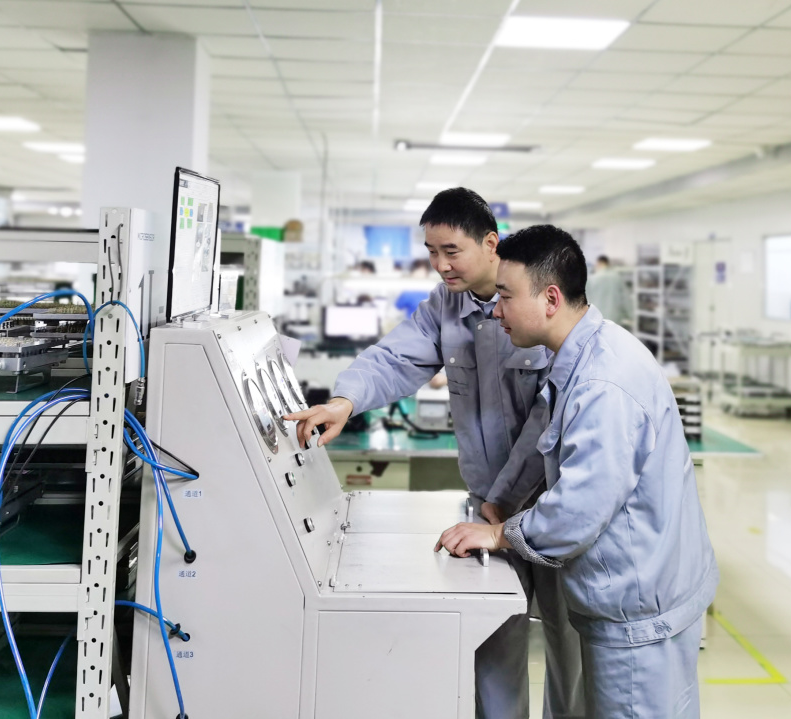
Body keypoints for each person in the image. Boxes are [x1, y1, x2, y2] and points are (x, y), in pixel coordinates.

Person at [285, 188, 585, 719]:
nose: (441, 264)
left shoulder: (536, 306)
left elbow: (548, 423)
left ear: (490, 243)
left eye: (451, 251)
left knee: (568, 642)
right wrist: (344, 401)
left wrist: (506, 501)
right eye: (431, 252)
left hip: (549, 506)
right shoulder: (446, 305)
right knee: (495, 643)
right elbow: (393, 359)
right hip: (487, 505)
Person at [436, 225, 719, 718]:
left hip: (637, 616)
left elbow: (578, 511)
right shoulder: (583, 353)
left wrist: (500, 534)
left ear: (550, 299)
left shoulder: (603, 384)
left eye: (505, 297)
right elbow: (540, 434)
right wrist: (501, 499)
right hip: (638, 595)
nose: (496, 311)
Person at [584, 255, 631, 325]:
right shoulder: (617, 278)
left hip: (596, 318)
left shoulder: (592, 279)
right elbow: (626, 299)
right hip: (614, 318)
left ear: (598, 263)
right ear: (608, 264)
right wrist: (631, 316)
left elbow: (585, 299)